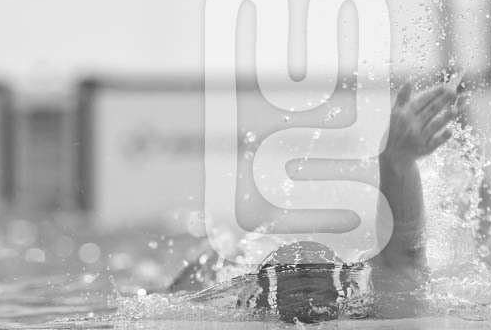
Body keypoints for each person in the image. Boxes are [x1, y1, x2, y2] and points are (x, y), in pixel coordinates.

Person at [172, 82, 458, 323]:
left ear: (254, 299)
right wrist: (397, 160)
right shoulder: (386, 300)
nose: (303, 269)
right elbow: (405, 248)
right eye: (318, 282)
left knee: (208, 265)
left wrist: (396, 159)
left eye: (291, 282)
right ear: (345, 293)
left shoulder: (202, 304)